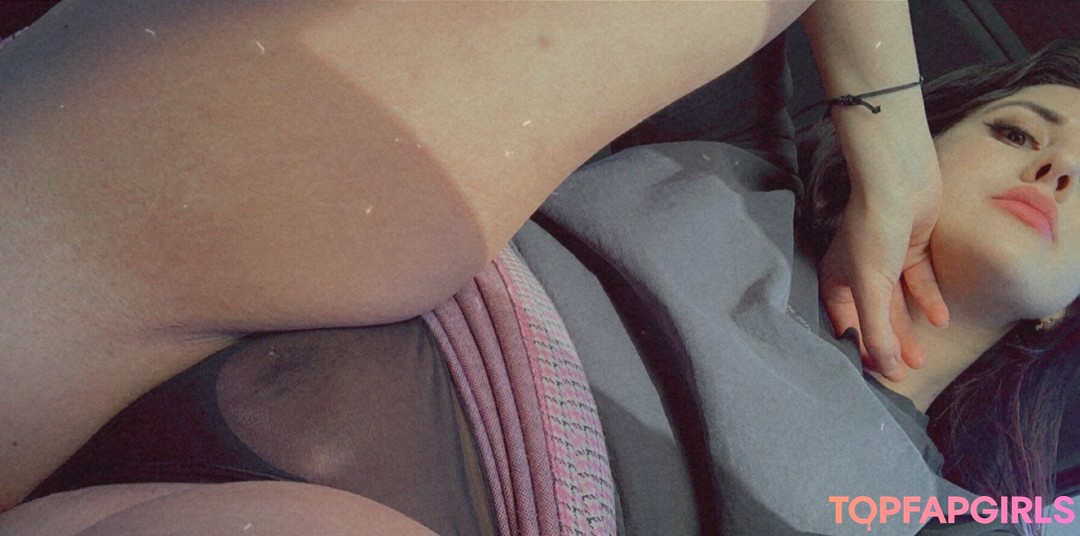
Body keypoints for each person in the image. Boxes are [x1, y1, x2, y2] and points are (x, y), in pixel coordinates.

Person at [0, 0, 955, 533]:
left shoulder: (952, 502)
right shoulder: (746, 171)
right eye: (1013, 129)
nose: (1036, 171)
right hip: (351, 260)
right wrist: (894, 142)